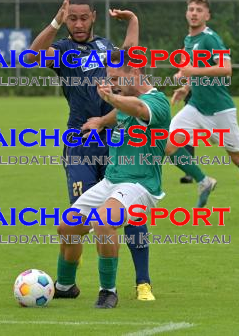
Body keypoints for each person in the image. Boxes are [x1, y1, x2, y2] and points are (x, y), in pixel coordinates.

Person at [27, 0, 156, 300]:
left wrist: (103, 119)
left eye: (84, 18)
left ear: (94, 16)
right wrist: (54, 22)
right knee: (79, 220)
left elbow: (130, 72)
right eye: (72, 18)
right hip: (80, 144)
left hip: (115, 142)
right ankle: (66, 285)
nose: (79, 23)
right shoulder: (62, 51)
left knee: (130, 213)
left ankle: (142, 282)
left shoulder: (106, 48)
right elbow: (31, 57)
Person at [55, 49, 171, 308]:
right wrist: (100, 120)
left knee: (104, 222)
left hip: (140, 185)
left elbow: (139, 108)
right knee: (68, 227)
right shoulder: (122, 100)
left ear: (136, 71)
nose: (112, 84)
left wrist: (110, 97)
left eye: (117, 78)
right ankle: (65, 286)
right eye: (110, 78)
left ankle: (108, 291)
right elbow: (117, 115)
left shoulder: (157, 102)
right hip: (111, 181)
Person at [167, 0, 239, 224]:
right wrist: (185, 88)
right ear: (186, 13)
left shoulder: (210, 39)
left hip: (220, 111)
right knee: (165, 142)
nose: (194, 13)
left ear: (207, 16)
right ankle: (203, 181)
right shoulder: (188, 40)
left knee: (238, 158)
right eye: (191, 9)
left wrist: (192, 72)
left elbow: (226, 69)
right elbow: (193, 70)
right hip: (196, 107)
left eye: (199, 10)